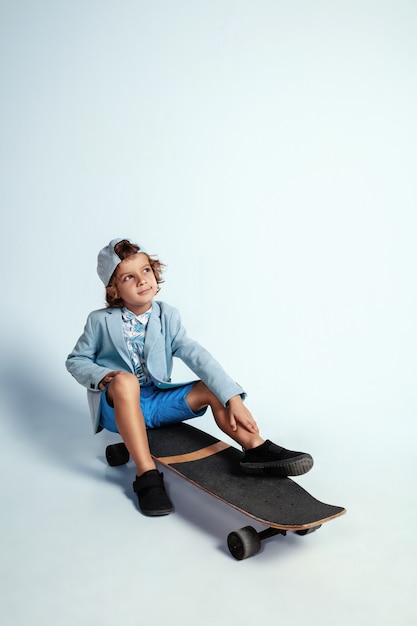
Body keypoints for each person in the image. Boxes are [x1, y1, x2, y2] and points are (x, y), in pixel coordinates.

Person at [66, 238, 313, 517]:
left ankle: (255, 448)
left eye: (146, 271)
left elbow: (196, 355)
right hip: (119, 407)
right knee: (125, 381)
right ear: (114, 289)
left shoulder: (168, 315)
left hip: (157, 403)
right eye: (128, 277)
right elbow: (76, 361)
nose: (142, 281)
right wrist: (104, 376)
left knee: (210, 388)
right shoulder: (99, 321)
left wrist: (232, 397)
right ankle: (146, 475)